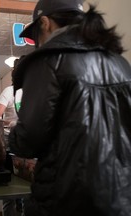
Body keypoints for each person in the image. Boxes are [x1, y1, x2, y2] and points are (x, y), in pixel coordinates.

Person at [8, 0, 131, 216]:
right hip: (120, 195)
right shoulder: (119, 63)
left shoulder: (48, 61)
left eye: (36, 35)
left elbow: (29, 140)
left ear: (45, 23)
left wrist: (12, 136)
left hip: (65, 197)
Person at [0, 58, 23, 216]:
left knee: (29, 189)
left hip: (29, 146)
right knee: (10, 188)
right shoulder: (9, 92)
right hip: (10, 145)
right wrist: (11, 123)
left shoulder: (37, 91)